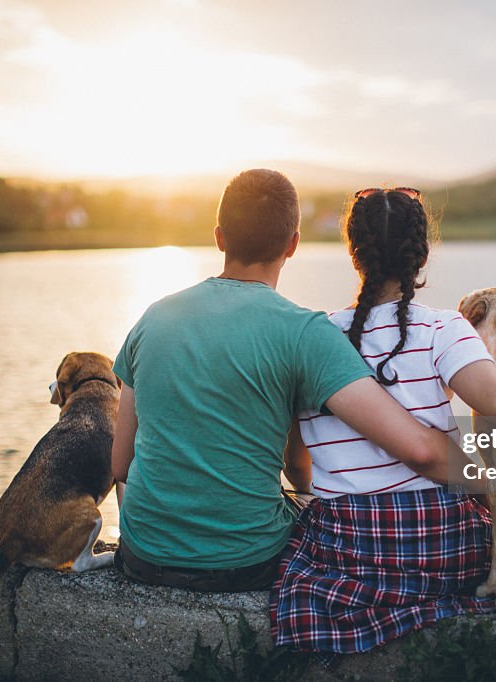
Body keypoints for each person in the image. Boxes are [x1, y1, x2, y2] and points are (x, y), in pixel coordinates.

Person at [110, 170, 476, 592]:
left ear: (219, 238)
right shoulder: (304, 332)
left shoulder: (153, 317)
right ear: (293, 245)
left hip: (142, 556)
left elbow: (120, 465)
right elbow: (419, 449)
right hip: (246, 563)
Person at [270, 187, 496, 654]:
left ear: (355, 254)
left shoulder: (317, 336)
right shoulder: (443, 328)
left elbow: (297, 463)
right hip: (439, 537)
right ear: (422, 253)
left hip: (348, 541)